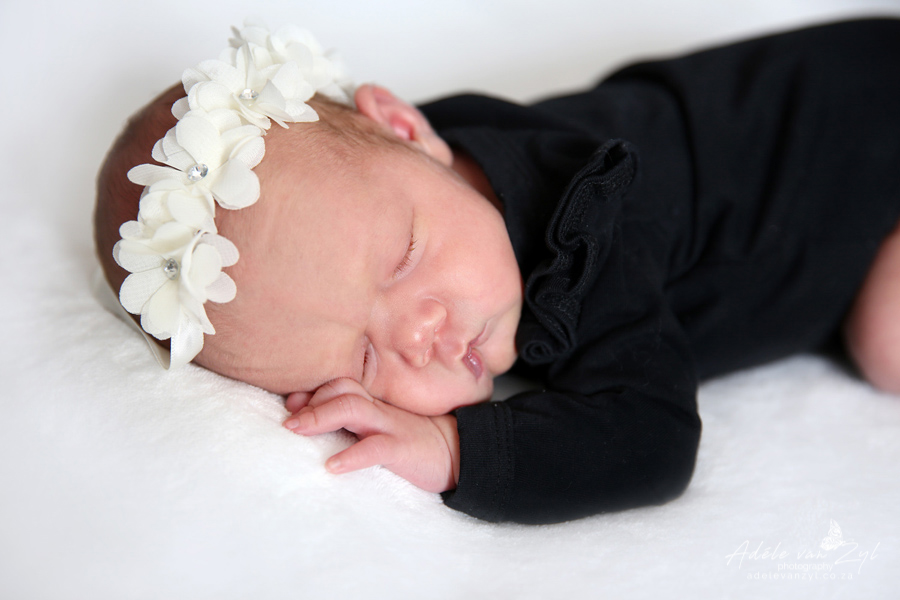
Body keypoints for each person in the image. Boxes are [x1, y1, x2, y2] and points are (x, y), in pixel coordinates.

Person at [94, 17, 900, 524]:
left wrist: (455, 449)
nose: (420, 337)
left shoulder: (595, 233)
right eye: (364, 361)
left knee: (886, 341)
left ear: (405, 126)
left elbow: (651, 440)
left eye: (404, 258)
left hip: (873, 122)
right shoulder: (420, 172)